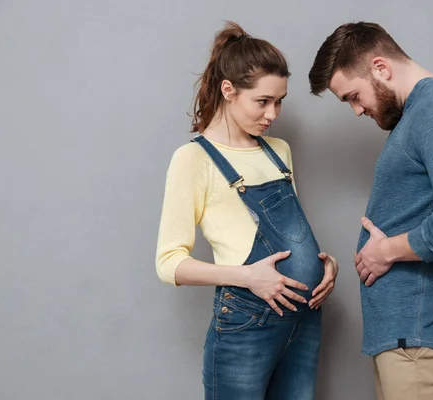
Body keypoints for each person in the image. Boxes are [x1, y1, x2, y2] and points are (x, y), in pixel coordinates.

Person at [155, 21, 338, 400]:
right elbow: (169, 263)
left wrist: (324, 265)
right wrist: (248, 277)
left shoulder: (278, 150)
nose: (273, 113)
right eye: (263, 101)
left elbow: (292, 235)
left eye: (280, 101)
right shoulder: (194, 160)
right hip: (246, 322)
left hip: (304, 320)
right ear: (228, 90)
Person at [308, 22, 433, 400]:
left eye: (353, 96)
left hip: (417, 340)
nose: (357, 111)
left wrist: (385, 250)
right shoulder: (418, 114)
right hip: (406, 339)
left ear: (381, 68)